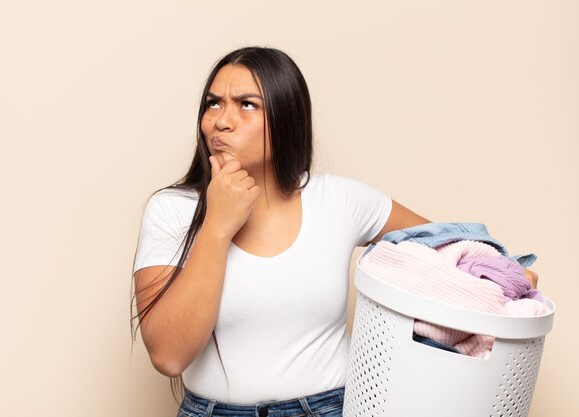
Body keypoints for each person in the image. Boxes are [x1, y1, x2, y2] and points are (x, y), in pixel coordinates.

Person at [130, 46, 536, 417]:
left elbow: (452, 246)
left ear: (287, 117)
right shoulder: (172, 210)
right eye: (213, 103)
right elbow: (168, 356)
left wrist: (508, 280)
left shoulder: (339, 200)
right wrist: (217, 225)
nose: (220, 121)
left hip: (330, 408)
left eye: (247, 105)